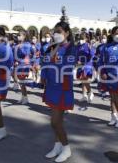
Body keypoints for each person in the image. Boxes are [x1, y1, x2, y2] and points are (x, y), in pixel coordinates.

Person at [42, 21, 75, 162]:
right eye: (55, 31)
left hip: (63, 87)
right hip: (51, 86)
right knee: (57, 121)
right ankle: (57, 145)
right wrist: (43, 76)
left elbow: (66, 65)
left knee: (55, 122)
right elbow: (45, 63)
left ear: (67, 33)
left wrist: (54, 61)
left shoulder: (71, 48)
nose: (56, 34)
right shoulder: (52, 47)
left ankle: (66, 148)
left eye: (59, 32)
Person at [99, 26, 118, 128]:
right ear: (112, 35)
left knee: (116, 97)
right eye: (116, 33)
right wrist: (102, 71)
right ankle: (113, 116)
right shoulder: (106, 47)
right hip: (108, 75)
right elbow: (100, 61)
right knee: (111, 97)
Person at [14, 30, 34, 104]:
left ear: (24, 36)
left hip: (24, 65)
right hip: (19, 64)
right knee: (20, 82)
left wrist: (20, 47)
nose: (18, 37)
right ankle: (23, 97)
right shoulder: (19, 44)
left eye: (20, 35)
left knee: (22, 82)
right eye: (18, 35)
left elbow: (26, 53)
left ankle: (25, 98)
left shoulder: (27, 44)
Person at [77, 32, 94, 103]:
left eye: (82, 38)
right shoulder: (79, 46)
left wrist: (90, 50)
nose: (81, 40)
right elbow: (77, 54)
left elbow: (91, 56)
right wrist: (77, 61)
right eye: (80, 38)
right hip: (80, 65)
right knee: (82, 80)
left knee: (84, 79)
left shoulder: (88, 45)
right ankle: (84, 96)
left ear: (86, 38)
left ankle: (90, 92)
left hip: (87, 65)